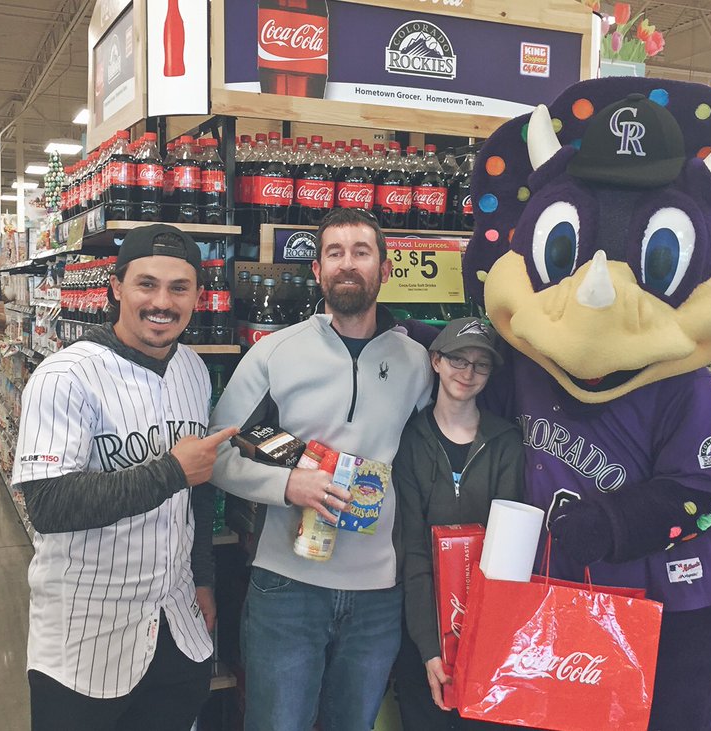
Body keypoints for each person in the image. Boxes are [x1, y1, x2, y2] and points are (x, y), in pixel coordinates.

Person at [210, 207, 434, 731]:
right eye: (334, 253)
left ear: (385, 269)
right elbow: (215, 455)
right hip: (287, 587)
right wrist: (287, 484)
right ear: (317, 270)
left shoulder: (418, 362)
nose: (347, 264)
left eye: (361, 252)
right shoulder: (275, 354)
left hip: (379, 592)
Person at [12, 224, 237, 731]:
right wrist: (170, 470)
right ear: (116, 288)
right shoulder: (64, 376)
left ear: (198, 296)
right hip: (87, 631)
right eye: (147, 284)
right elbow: (48, 505)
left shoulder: (194, 371)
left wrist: (201, 577)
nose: (162, 302)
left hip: (176, 622)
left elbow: (195, 492)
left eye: (179, 288)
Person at [393, 318, 524, 730]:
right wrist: (431, 649)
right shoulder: (410, 440)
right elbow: (412, 549)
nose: (466, 374)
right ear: (435, 361)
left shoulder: (505, 442)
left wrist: (488, 643)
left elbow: (510, 555)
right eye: (457, 360)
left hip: (489, 635)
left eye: (480, 365)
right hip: (423, 628)